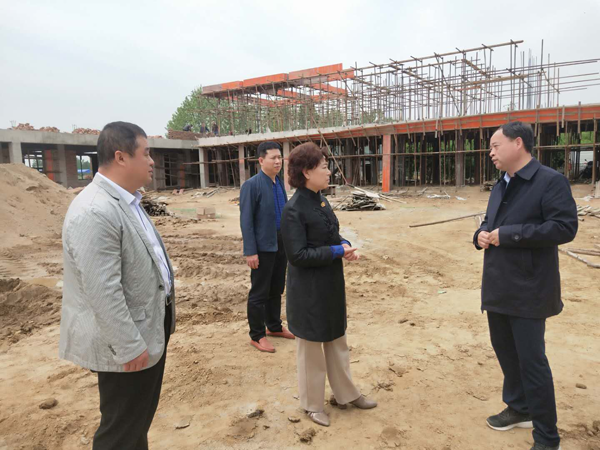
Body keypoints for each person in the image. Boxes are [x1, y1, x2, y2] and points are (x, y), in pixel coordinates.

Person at [59, 121, 176, 449]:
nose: (152, 161)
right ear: (121, 157)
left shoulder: (127, 201)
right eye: (146, 153)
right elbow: (102, 289)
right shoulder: (95, 210)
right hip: (127, 343)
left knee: (135, 423)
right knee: (120, 431)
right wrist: (128, 345)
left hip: (147, 330)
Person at [473, 121, 577, 450]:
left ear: (518, 143)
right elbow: (490, 222)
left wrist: (510, 235)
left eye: (495, 146)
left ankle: (547, 437)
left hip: (530, 288)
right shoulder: (501, 184)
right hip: (498, 285)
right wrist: (480, 235)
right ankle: (520, 408)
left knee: (532, 362)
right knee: (506, 353)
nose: (491, 152)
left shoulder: (550, 181)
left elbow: (564, 227)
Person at [281, 142, 377, 427]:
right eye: (324, 167)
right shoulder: (293, 209)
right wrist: (335, 251)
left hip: (330, 284)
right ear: (307, 172)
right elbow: (297, 255)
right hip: (308, 291)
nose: (329, 172)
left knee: (337, 340)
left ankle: (346, 394)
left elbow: (332, 234)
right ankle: (312, 404)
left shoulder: (321, 201)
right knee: (311, 349)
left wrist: (345, 246)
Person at [239, 141, 294, 353]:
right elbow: (246, 221)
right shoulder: (252, 186)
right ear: (261, 160)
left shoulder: (278, 183)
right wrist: (250, 251)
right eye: (273, 158)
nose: (278, 161)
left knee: (276, 288)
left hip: (280, 243)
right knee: (259, 292)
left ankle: (274, 326)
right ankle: (257, 335)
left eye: (280, 157)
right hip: (263, 246)